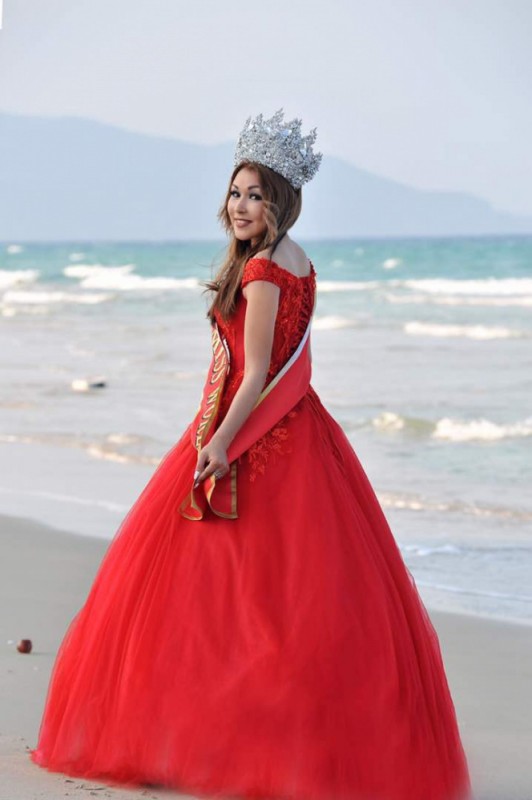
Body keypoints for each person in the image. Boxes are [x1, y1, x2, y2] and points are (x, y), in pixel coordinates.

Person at [30, 109, 472, 800]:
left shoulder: (264, 269)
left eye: (255, 195)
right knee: (289, 600)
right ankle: (286, 745)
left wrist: (220, 442)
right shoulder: (300, 260)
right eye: (235, 192)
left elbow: (258, 371)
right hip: (304, 435)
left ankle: (214, 741)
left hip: (251, 435)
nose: (240, 206)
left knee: (222, 597)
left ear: (280, 201)